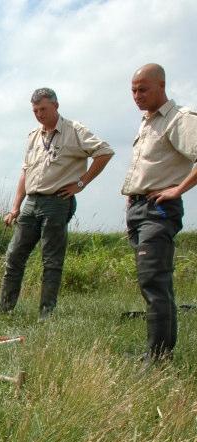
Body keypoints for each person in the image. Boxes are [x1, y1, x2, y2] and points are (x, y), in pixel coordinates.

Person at [0, 88, 114, 321]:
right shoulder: (33, 135)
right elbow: (25, 172)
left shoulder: (74, 130)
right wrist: (15, 207)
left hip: (57, 201)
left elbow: (104, 152)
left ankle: (46, 313)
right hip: (32, 201)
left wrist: (82, 182)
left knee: (51, 259)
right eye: (35, 110)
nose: (39, 114)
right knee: (14, 255)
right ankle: (4, 309)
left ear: (56, 106)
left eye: (43, 109)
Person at [122, 64, 197, 362]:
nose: (137, 95)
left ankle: (159, 357)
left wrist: (177, 190)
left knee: (154, 280)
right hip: (139, 209)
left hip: (159, 211)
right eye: (133, 90)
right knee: (149, 280)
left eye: (143, 89)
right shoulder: (147, 122)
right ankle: (157, 351)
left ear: (161, 86)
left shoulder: (179, 119)